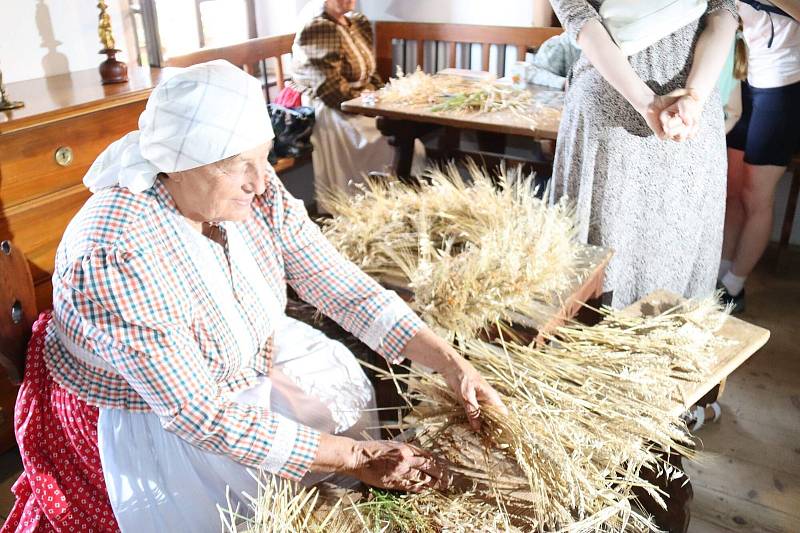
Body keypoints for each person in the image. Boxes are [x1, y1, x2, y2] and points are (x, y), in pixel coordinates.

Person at [2, 60, 505, 533]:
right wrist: (356, 457)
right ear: (176, 165)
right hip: (149, 407)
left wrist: (449, 362)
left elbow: (342, 287)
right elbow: (197, 413)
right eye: (239, 166)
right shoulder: (117, 251)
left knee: (336, 400)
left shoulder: (252, 190)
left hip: (234, 353)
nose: (261, 180)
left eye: (263, 157)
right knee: (236, 505)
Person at [548, 0, 738, 308]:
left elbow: (582, 21)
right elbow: (724, 11)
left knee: (604, 253)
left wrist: (654, 102)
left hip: (623, 99)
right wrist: (693, 97)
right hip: (680, 112)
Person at [291, 0, 424, 205]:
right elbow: (330, 90)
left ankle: (397, 200)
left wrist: (385, 97)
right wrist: (369, 105)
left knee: (407, 139)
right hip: (334, 108)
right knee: (397, 143)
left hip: (361, 100)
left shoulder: (356, 22)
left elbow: (370, 74)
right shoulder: (318, 28)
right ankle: (362, 204)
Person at [719, 0, 800, 313]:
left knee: (756, 195)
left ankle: (734, 286)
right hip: (742, 82)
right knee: (733, 189)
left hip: (784, 89)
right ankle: (720, 276)